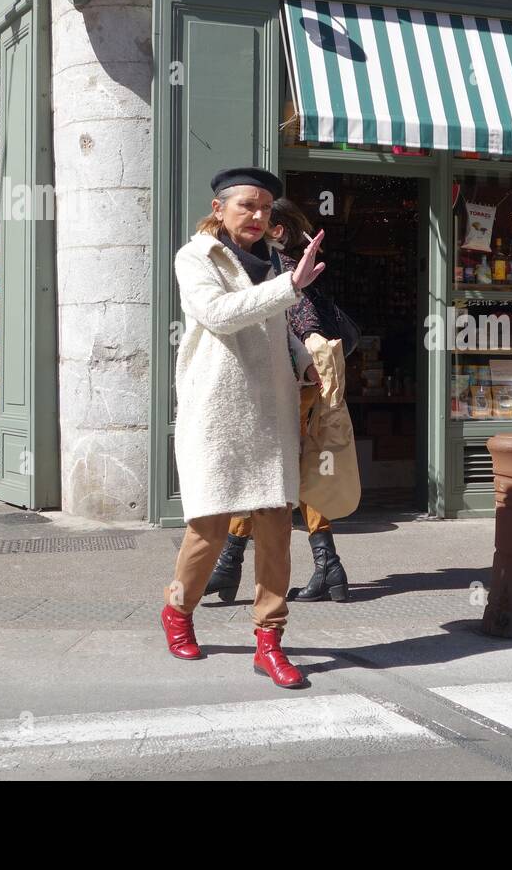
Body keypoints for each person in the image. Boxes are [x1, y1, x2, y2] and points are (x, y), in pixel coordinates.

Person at [160, 167, 326, 689]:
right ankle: (179, 609)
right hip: (217, 411)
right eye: (247, 206)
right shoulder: (196, 257)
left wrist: (306, 359)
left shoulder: (275, 262)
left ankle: (269, 640)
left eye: (265, 209)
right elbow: (218, 314)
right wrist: (289, 287)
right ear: (219, 208)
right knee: (208, 528)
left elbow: (274, 329)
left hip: (272, 409)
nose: (258, 216)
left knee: (276, 531)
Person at [205, 198, 359, 604]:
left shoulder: (285, 267)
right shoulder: (279, 266)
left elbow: (302, 315)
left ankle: (234, 565)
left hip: (297, 385)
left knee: (284, 472)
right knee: (285, 471)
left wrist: (309, 348)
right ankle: (317, 567)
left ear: (278, 230)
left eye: (267, 221)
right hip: (292, 382)